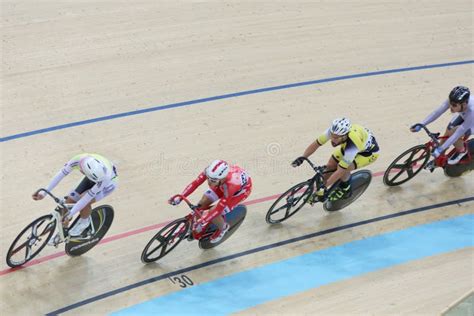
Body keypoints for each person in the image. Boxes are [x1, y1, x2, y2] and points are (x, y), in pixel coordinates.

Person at [32, 153, 118, 244]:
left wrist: (69, 215)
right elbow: (60, 175)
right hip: (92, 177)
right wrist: (44, 192)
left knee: (83, 199)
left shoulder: (103, 178)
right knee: (69, 202)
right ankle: (58, 233)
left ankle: (84, 222)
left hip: (108, 184)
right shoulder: (78, 160)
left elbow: (85, 200)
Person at [292, 118, 379, 202]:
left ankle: (346, 189)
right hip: (350, 145)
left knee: (343, 167)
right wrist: (303, 157)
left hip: (368, 154)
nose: (333, 140)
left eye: (337, 138)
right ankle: (319, 190)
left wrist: (325, 187)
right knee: (330, 166)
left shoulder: (353, 144)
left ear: (345, 135)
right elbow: (316, 144)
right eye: (332, 136)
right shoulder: (333, 131)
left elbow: (341, 170)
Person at [169, 159, 252, 244]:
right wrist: (181, 197)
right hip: (221, 185)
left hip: (238, 194)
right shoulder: (210, 172)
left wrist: (204, 220)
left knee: (214, 212)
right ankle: (195, 228)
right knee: (201, 205)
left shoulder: (231, 185)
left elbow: (219, 208)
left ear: (222, 178)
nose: (209, 182)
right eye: (208, 178)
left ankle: (223, 228)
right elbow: (195, 183)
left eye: (213, 180)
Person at [410, 86, 473, 165]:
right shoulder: (455, 100)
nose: (450, 107)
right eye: (450, 103)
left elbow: (457, 134)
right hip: (464, 115)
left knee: (453, 133)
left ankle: (462, 151)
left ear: (464, 104)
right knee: (447, 133)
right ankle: (440, 159)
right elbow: (437, 112)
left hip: (472, 123)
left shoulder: (472, 111)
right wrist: (422, 124)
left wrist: (440, 149)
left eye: (454, 105)